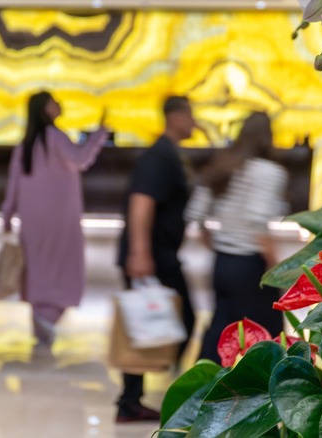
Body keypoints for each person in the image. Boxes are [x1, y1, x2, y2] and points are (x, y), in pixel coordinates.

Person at [2, 91, 108, 344]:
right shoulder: (55, 137)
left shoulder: (27, 143)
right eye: (53, 102)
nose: (59, 104)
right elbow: (80, 159)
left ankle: (42, 319)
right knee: (62, 265)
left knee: (38, 266)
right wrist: (99, 133)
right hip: (60, 217)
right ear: (44, 109)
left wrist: (7, 213)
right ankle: (47, 318)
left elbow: (13, 182)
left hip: (32, 218)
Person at [115, 96, 197, 423]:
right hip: (152, 254)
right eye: (190, 115)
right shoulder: (160, 155)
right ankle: (131, 399)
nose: (194, 122)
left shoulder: (169, 154)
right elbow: (141, 202)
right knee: (180, 319)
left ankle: (131, 399)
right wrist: (139, 252)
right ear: (175, 117)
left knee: (151, 324)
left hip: (159, 252)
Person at [186, 112, 288, 364]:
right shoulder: (268, 172)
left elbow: (195, 214)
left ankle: (202, 387)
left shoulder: (224, 165)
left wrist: (216, 243)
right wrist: (275, 267)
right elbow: (258, 222)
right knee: (266, 333)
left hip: (223, 262)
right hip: (250, 266)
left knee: (221, 331)